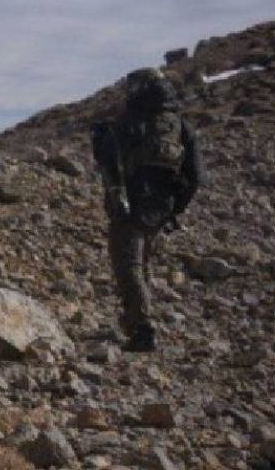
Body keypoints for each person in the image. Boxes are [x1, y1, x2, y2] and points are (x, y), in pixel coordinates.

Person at [91, 68, 201, 352]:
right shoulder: (178, 125)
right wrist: (176, 208)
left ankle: (142, 330)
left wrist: (99, 137)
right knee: (142, 265)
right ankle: (136, 321)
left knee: (129, 268)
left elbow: (108, 162)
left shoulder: (129, 121)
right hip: (161, 208)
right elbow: (196, 175)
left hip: (130, 205)